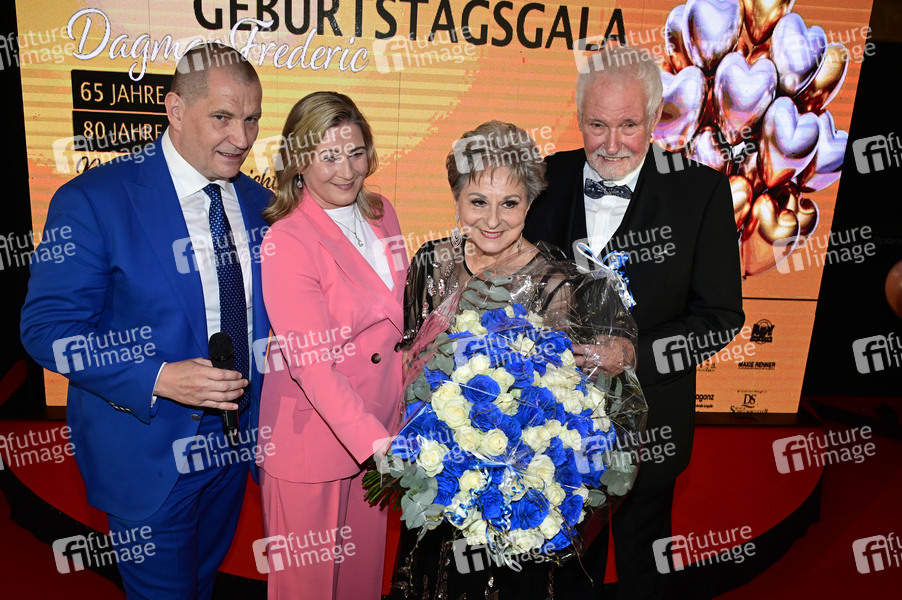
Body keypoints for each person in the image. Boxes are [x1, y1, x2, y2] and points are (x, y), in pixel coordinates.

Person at [20, 43, 271, 598]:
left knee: (202, 584)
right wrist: (158, 377)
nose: (242, 138)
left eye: (252, 119)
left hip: (234, 447)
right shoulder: (94, 200)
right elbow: (46, 329)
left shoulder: (260, 203)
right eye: (223, 117)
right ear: (175, 110)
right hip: (147, 449)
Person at [523, 45, 745, 598]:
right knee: (562, 570)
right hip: (551, 424)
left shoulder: (700, 192)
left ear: (653, 118)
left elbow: (720, 317)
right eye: (597, 125)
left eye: (628, 125)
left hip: (652, 432)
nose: (612, 143)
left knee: (646, 569)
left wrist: (634, 354)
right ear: (579, 117)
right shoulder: (543, 179)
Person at [394, 120, 639, 599]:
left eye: (509, 203)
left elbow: (557, 400)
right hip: (437, 478)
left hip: (510, 492)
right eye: (477, 202)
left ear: (530, 203)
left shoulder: (553, 282)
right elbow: (409, 362)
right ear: (456, 198)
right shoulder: (430, 263)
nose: (493, 220)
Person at [257, 91, 407, 600]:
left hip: (379, 432)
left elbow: (400, 324)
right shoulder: (287, 240)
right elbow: (312, 366)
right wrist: (375, 444)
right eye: (329, 156)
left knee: (360, 585)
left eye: (356, 153)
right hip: (315, 442)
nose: (347, 171)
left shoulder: (382, 212)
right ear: (299, 161)